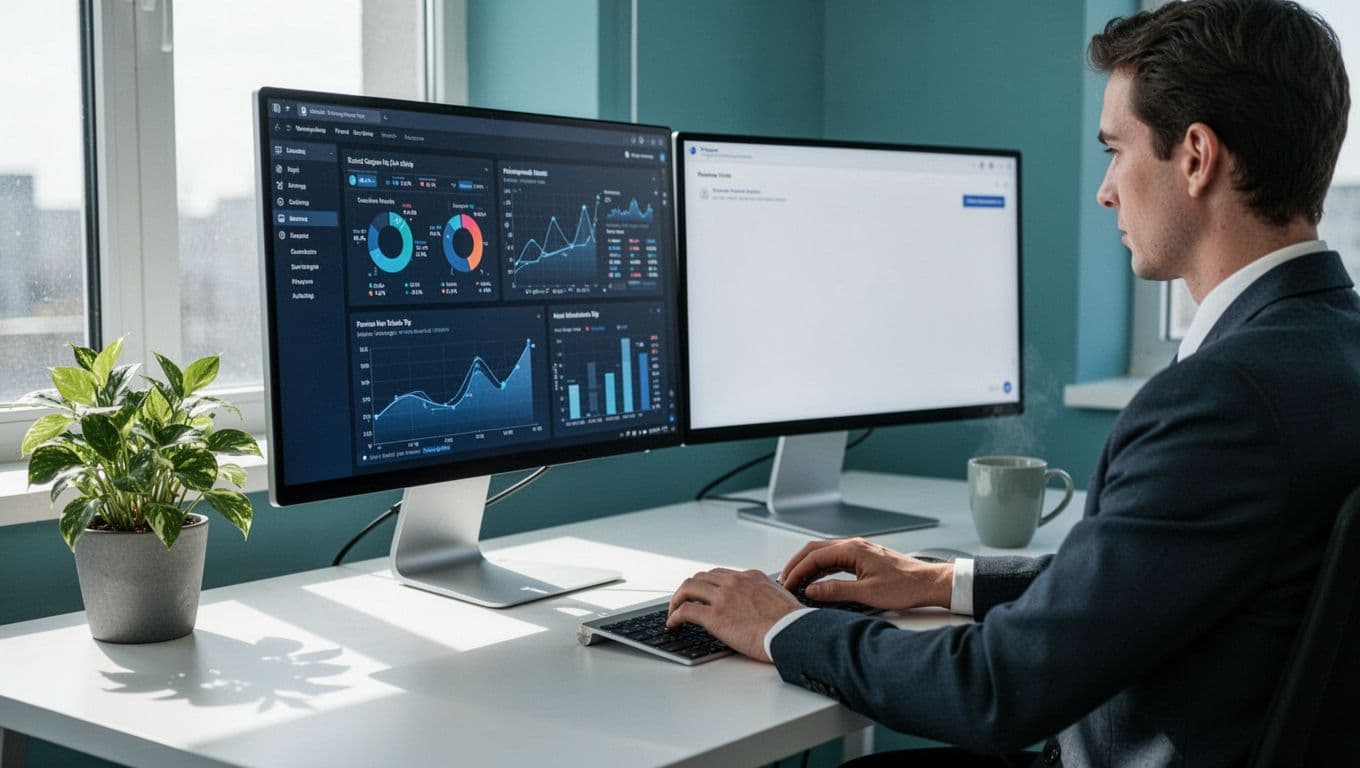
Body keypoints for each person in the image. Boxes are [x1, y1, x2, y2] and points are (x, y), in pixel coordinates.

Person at [665, 1, 1360, 765]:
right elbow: (1145, 575)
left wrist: (781, 625)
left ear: (1196, 157)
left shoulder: (1222, 398)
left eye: (1116, 150)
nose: (1105, 191)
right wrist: (939, 580)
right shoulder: (1330, 349)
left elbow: (993, 690)